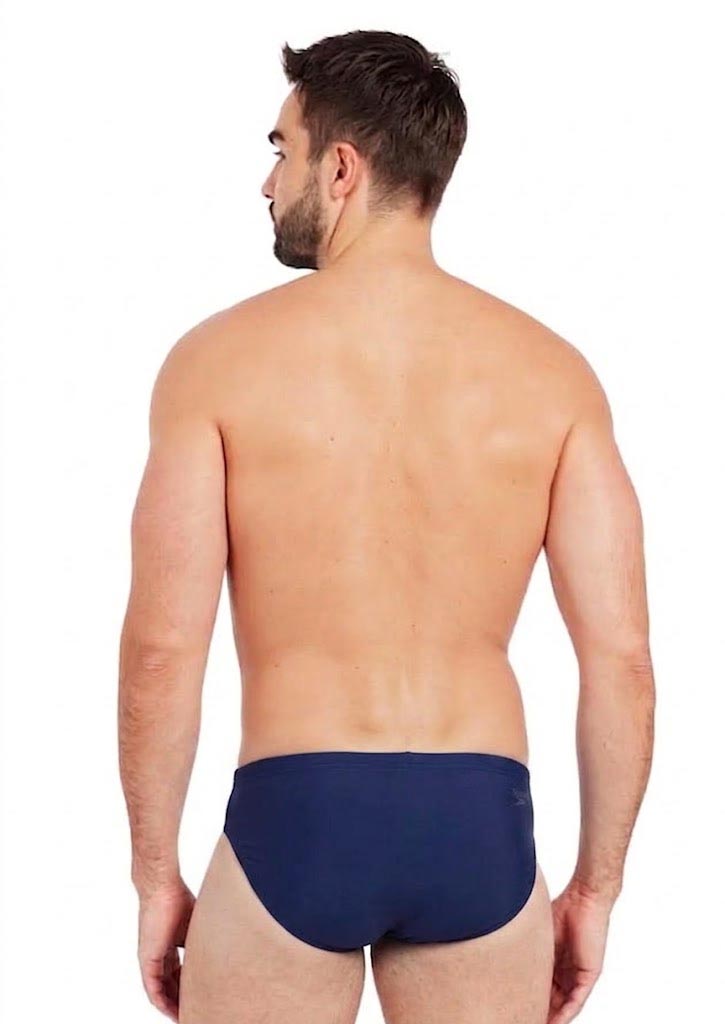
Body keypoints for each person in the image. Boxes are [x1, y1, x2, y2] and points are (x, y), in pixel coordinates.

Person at [117, 28, 655, 1024]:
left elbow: (162, 650)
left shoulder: (216, 363)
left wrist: (156, 878)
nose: (266, 182)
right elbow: (619, 659)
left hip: (297, 811)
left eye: (279, 150)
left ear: (340, 168)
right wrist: (595, 888)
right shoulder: (553, 375)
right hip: (478, 822)